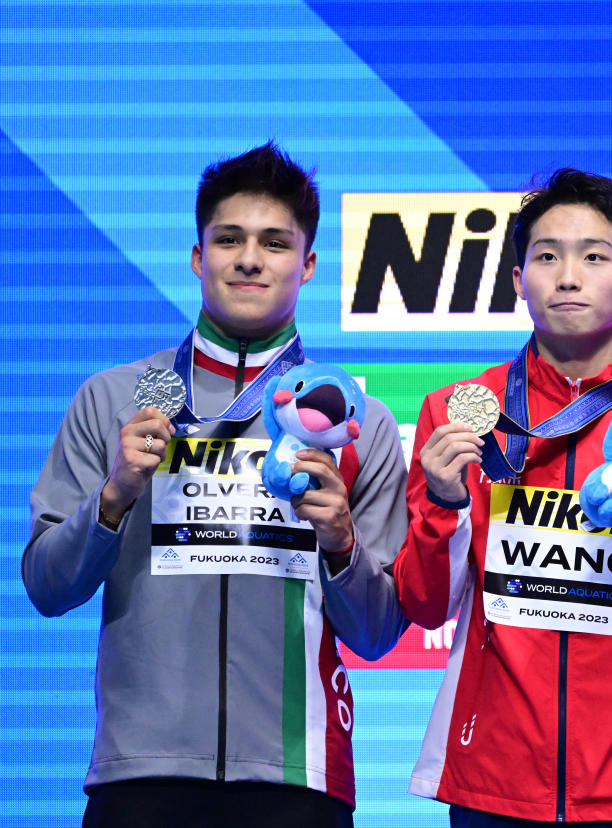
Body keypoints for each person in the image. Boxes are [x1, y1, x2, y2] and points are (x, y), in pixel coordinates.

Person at [23, 142, 409, 828]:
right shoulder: (113, 398)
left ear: (308, 264)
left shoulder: (359, 422)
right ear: (199, 257)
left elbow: (378, 632)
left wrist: (341, 543)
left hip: (299, 777)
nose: (250, 258)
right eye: (229, 239)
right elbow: (48, 589)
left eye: (275, 242)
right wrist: (112, 500)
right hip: (141, 773)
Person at [394, 168, 612, 826]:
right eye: (547, 256)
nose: (569, 276)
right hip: (490, 781)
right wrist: (442, 503)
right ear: (519, 280)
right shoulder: (459, 412)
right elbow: (424, 603)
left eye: (594, 256)